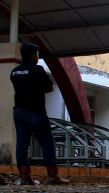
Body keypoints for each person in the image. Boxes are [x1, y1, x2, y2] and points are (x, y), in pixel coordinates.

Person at [10, 43, 69, 185]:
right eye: (37, 54)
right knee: (47, 143)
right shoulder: (38, 69)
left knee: (22, 144)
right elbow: (49, 87)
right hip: (36, 112)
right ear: (32, 55)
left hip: (19, 112)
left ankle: (24, 177)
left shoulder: (14, 72)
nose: (38, 57)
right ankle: (52, 176)